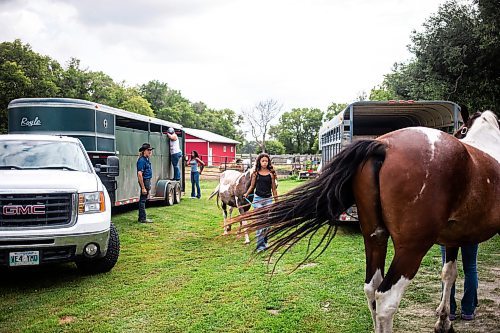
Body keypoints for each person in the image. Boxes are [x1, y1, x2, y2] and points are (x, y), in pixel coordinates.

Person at [243, 153, 278, 252]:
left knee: (267, 224)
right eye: (262, 161)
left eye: (266, 161)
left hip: (268, 200)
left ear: (268, 162)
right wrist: (246, 193)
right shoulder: (255, 173)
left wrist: (277, 201)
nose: (264, 163)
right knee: (260, 223)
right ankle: (260, 247)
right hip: (258, 200)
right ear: (259, 162)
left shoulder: (271, 174)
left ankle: (265, 242)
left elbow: (274, 189)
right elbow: (252, 186)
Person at [440, 245, 479, 321]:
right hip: (470, 236)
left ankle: (450, 309)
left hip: (449, 236)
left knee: (447, 267)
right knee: (470, 267)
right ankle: (468, 310)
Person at [137, 143, 154, 223]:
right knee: (143, 200)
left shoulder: (146, 159)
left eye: (150, 150)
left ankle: (141, 217)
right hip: (145, 181)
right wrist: (143, 187)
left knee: (143, 199)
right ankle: (142, 218)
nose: (150, 151)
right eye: (148, 150)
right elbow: (140, 174)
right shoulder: (141, 160)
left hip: (147, 180)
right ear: (144, 151)